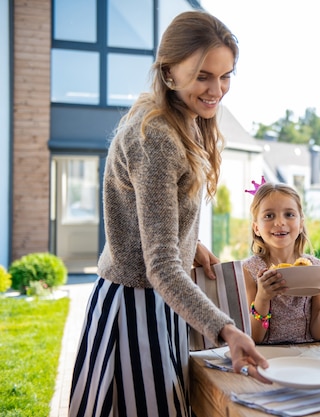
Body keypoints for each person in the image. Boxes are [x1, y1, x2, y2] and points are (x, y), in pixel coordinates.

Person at [69, 11, 269, 417]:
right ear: (169, 72)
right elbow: (158, 264)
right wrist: (226, 329)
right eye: (203, 76)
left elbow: (150, 218)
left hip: (157, 302)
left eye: (226, 75)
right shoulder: (158, 137)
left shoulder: (182, 120)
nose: (217, 89)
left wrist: (188, 242)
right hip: (134, 310)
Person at [242, 181, 320, 344]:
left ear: (301, 223)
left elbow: (319, 333)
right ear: (256, 228)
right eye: (269, 216)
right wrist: (262, 297)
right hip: (266, 358)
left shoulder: (314, 269)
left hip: (306, 356)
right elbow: (254, 337)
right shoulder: (248, 271)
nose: (279, 222)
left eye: (289, 214)